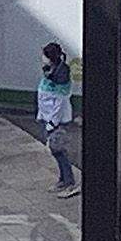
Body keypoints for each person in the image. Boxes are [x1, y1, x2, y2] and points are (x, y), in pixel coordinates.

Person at [37, 42, 77, 199]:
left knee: (59, 150)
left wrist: (52, 123)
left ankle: (70, 182)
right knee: (55, 150)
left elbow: (59, 102)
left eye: (45, 55)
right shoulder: (51, 71)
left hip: (56, 121)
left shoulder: (61, 75)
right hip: (48, 117)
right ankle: (63, 179)